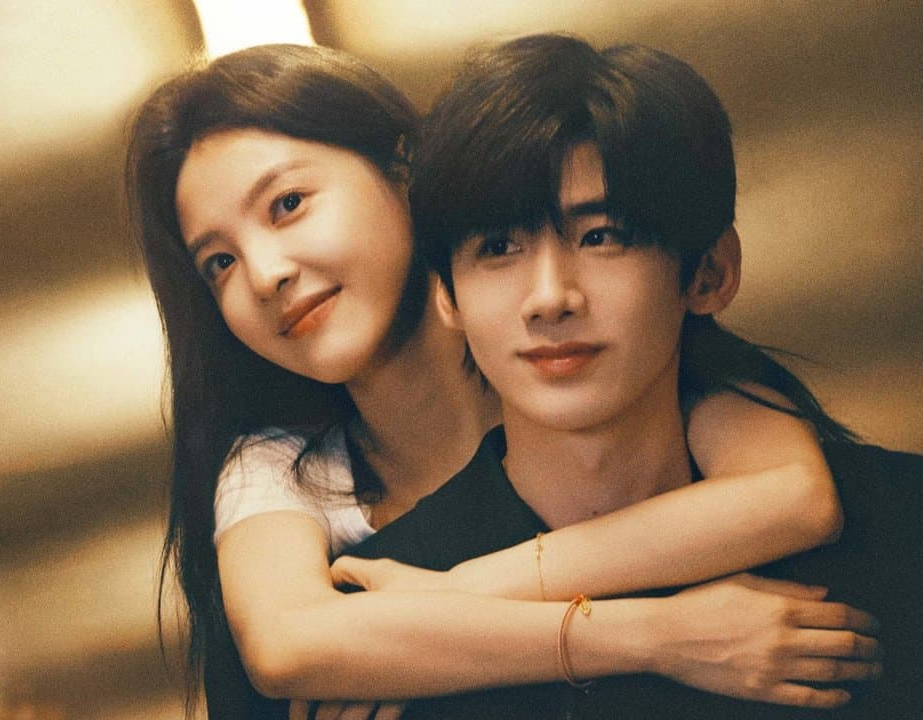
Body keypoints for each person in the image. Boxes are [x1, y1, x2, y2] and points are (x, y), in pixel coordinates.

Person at [125, 44, 879, 719]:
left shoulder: (593, 370)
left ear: (408, 174)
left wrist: (451, 595)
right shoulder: (275, 468)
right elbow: (291, 644)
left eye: (288, 205)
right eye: (218, 262)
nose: (264, 274)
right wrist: (660, 635)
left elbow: (795, 497)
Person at [332, 33, 923, 718]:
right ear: (448, 298)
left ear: (710, 272)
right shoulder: (371, 618)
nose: (550, 298)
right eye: (498, 247)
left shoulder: (899, 526)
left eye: (602, 236)